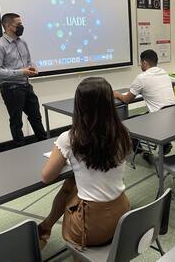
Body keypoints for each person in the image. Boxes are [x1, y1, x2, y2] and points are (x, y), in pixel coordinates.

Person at [38, 77, 132, 249]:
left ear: (79, 106)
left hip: (91, 227)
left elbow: (46, 177)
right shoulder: (122, 132)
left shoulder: (70, 138)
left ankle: (45, 229)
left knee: (69, 186)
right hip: (123, 217)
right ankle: (45, 228)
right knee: (70, 183)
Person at [0, 13, 46, 146]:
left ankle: (45, 144)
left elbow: (28, 61)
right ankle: (19, 149)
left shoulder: (22, 42)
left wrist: (32, 67)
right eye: (18, 24)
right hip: (11, 89)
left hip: (26, 85)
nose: (22, 26)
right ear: (8, 26)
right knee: (17, 122)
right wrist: (21, 72)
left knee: (36, 118)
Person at [114, 49, 175, 155]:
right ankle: (165, 144)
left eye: (141, 63)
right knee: (140, 116)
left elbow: (127, 99)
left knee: (125, 123)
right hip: (173, 118)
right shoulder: (164, 73)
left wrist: (117, 94)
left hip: (157, 120)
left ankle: (141, 151)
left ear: (144, 62)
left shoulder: (142, 78)